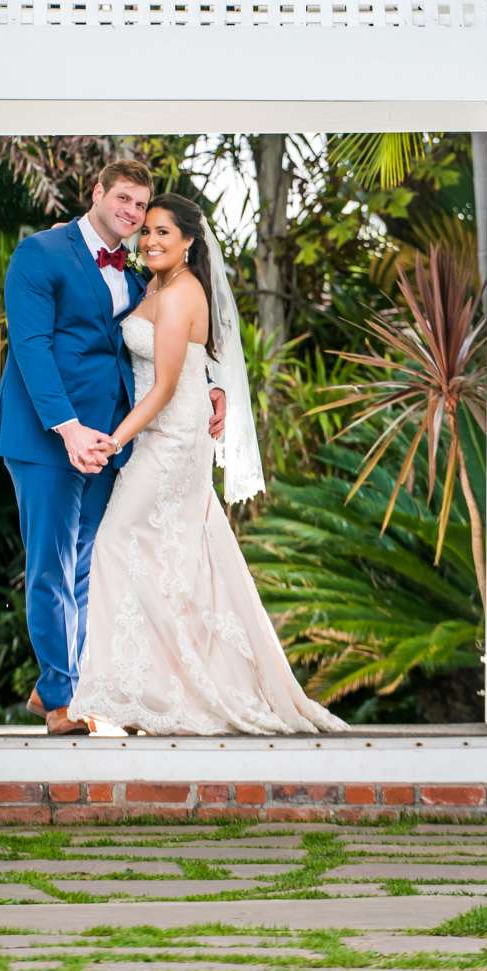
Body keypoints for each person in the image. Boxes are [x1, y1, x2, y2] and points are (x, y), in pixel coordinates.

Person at [70, 193, 346, 737]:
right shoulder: (157, 285)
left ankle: (159, 691)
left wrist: (112, 442)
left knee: (116, 546)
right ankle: (158, 690)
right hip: (163, 431)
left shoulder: (179, 294)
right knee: (174, 558)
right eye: (146, 231)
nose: (149, 240)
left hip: (171, 438)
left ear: (190, 241)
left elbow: (169, 383)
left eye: (163, 233)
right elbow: (193, 367)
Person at [0, 159, 226, 735]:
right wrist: (67, 429)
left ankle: (71, 686)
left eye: (141, 206)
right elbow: (31, 347)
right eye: (122, 198)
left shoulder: (145, 274)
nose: (132, 213)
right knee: (51, 563)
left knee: (95, 563)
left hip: (112, 441)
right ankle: (61, 698)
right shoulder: (40, 254)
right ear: (96, 193)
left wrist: (212, 388)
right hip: (48, 437)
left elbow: (163, 347)